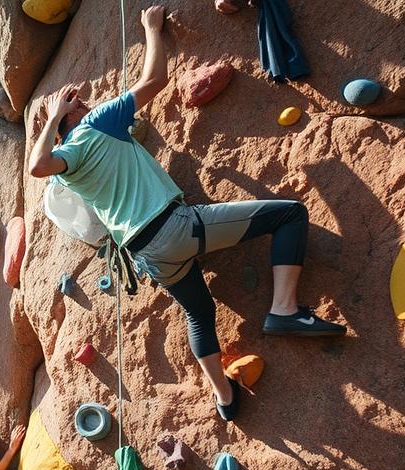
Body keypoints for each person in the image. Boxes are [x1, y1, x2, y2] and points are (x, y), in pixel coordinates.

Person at [26, 5, 343, 422]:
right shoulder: (95, 124)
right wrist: (152, 30)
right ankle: (284, 309)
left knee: (198, 311)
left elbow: (38, 165)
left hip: (146, 255)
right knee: (290, 215)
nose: (84, 98)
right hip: (171, 229)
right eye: (75, 101)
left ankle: (224, 397)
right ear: (70, 118)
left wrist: (51, 121)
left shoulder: (65, 170)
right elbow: (155, 80)